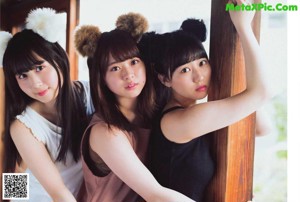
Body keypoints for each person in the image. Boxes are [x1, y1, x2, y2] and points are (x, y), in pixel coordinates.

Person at [138, 1, 275, 201]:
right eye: (185, 70)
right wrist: (244, 28)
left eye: (202, 63)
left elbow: (262, 128)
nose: (199, 76)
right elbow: (262, 92)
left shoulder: (190, 115)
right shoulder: (179, 120)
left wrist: (225, 84)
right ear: (165, 79)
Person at [74, 13, 194, 202]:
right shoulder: (18, 127)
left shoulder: (156, 111)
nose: (128, 75)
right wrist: (13, 198)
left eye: (134, 62)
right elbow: (16, 169)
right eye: (115, 68)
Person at [1, 8, 93, 202]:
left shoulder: (89, 94)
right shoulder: (23, 126)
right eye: (22, 75)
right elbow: (15, 170)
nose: (35, 83)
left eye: (39, 67)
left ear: (59, 60)